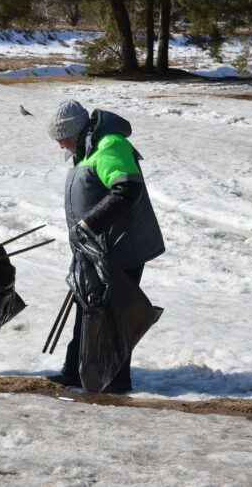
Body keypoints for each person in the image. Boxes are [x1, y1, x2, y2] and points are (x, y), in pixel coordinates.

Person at [46, 100, 165, 393]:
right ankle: (74, 371)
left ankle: (115, 381)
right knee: (86, 306)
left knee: (112, 315)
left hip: (121, 248)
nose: (61, 146)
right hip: (95, 248)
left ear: (75, 131)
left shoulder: (110, 144)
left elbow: (127, 189)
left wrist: (90, 225)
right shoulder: (85, 150)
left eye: (62, 138)